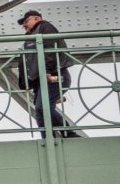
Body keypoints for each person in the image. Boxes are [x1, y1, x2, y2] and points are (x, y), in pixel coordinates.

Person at [16, 9, 76, 139]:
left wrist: (47, 71)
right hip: (42, 80)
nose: (24, 25)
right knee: (39, 110)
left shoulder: (44, 27)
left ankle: (69, 134)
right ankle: (48, 138)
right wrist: (25, 83)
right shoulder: (30, 38)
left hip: (54, 76)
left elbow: (50, 50)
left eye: (27, 21)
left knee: (42, 107)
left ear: (37, 19)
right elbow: (25, 63)